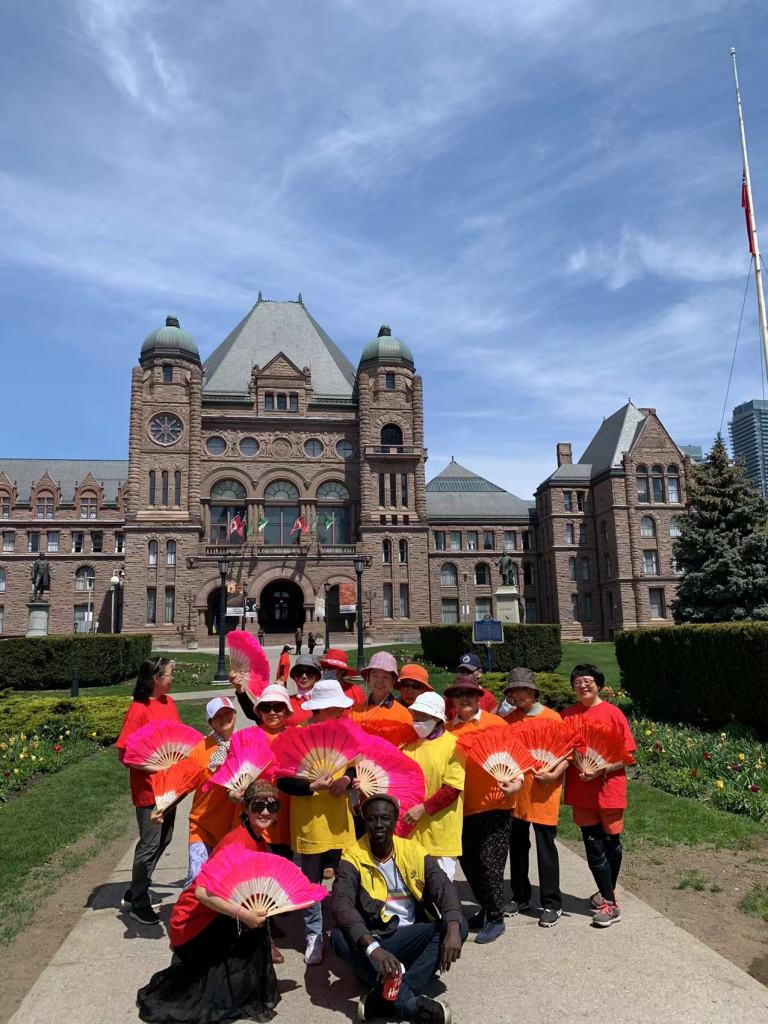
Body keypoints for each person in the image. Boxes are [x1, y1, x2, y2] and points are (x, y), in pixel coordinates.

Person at [136, 779, 281, 1023]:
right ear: (246, 808)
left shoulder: (258, 838)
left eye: (272, 805)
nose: (265, 811)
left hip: (215, 913)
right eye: (258, 805)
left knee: (255, 930)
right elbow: (202, 894)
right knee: (249, 931)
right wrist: (243, 914)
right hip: (193, 921)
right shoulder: (236, 843)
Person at [331, 794, 467, 1024]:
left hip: (411, 936)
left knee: (457, 924)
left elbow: (444, 888)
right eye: (372, 819)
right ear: (365, 822)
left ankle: (381, 1000)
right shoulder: (352, 855)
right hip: (376, 942)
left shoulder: (413, 850)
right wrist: (374, 948)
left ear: (395, 821)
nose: (378, 824)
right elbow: (341, 903)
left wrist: (453, 928)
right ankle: (410, 1004)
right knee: (338, 938)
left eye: (385, 818)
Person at [275, 678, 356, 965]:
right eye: (335, 710)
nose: (340, 714)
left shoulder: (346, 733)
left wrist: (346, 781)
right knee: (311, 882)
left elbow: (354, 768)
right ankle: (314, 934)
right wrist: (311, 786)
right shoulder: (296, 736)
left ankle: (343, 929)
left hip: (340, 821)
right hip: (309, 824)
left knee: (346, 879)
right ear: (319, 710)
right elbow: (283, 780)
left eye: (340, 709)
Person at [446, 677, 521, 944]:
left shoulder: (496, 724)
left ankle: (497, 918)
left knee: (490, 864)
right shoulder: (447, 731)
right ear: (453, 700)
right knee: (469, 863)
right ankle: (487, 908)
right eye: (459, 694)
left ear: (479, 698)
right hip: (462, 809)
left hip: (495, 805)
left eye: (470, 694)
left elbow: (516, 758)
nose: (464, 698)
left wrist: (516, 784)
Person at [561, 663, 635, 928]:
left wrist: (603, 768)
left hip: (609, 789)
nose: (583, 685)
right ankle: (610, 903)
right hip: (581, 791)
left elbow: (628, 755)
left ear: (599, 685)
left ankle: (607, 895)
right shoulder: (567, 716)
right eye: (578, 682)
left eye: (588, 681)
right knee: (593, 845)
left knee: (612, 844)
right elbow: (561, 750)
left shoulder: (613, 714)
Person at [499, 668, 566, 927]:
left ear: (534, 691)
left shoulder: (553, 718)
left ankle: (551, 902)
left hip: (544, 794)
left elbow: (567, 754)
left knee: (545, 849)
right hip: (517, 795)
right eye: (514, 690)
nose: (518, 695)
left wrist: (554, 774)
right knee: (517, 847)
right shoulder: (509, 721)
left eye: (523, 689)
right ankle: (520, 896)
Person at [116, 657, 180, 926]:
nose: (172, 679)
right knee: (149, 843)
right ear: (155, 679)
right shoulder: (139, 709)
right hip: (149, 790)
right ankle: (139, 901)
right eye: (169, 675)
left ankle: (136, 889)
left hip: (171, 787)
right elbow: (125, 755)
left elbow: (176, 737)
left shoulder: (169, 703)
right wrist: (156, 767)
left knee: (165, 839)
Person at [400, 691, 465, 881]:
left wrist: (423, 809)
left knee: (440, 891)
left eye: (424, 716)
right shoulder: (406, 746)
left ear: (437, 719)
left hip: (441, 835)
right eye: (416, 715)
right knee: (414, 889)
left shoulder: (454, 745)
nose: (418, 721)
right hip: (410, 833)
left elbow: (452, 789)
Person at [184, 697, 240, 885]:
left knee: (228, 883)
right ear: (210, 722)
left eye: (227, 713)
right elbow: (182, 784)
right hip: (203, 826)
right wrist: (162, 809)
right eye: (218, 716)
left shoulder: (245, 743)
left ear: (235, 715)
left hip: (234, 828)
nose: (224, 718)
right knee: (196, 879)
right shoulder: (200, 750)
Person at [354, 651, 413, 727]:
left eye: (385, 677)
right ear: (368, 678)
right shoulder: (355, 712)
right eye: (375, 676)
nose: (379, 681)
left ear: (393, 681)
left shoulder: (404, 715)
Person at [443, 654, 497, 721]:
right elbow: (446, 720)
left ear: (479, 673)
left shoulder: (489, 697)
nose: (465, 674)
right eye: (462, 671)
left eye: (469, 671)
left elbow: (492, 722)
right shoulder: (452, 696)